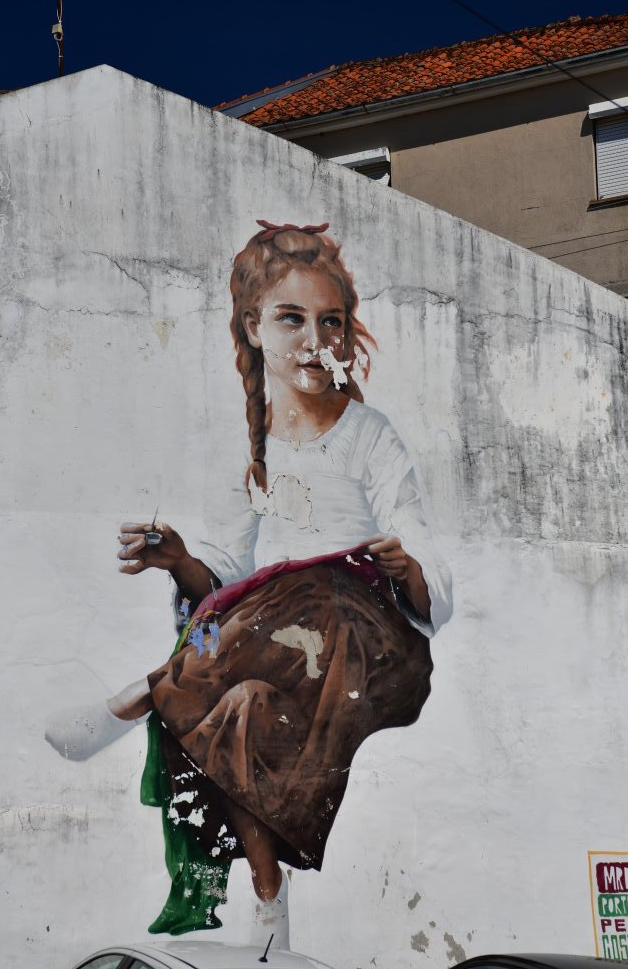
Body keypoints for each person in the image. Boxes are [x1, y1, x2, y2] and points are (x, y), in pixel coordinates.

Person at [46, 221, 452, 950]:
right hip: (273, 644)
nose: (314, 339)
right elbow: (224, 579)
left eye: (331, 321)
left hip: (367, 650)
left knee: (321, 584)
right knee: (241, 702)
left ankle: (139, 696)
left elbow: (426, 568)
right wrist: (179, 561)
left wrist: (406, 567)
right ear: (253, 328)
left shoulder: (370, 436)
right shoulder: (246, 449)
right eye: (291, 319)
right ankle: (269, 904)